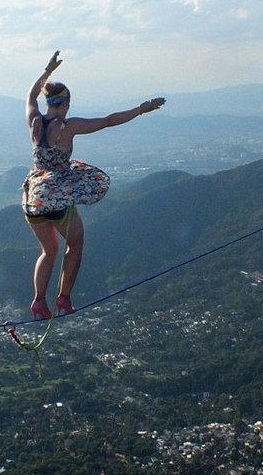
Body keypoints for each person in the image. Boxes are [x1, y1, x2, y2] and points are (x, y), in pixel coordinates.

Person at [23, 50, 166, 320]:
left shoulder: (33, 121)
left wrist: (46, 72)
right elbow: (108, 121)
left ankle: (38, 301)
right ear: (65, 104)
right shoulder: (69, 126)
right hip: (56, 196)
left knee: (48, 250)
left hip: (33, 196)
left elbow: (30, 96)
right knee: (75, 244)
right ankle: (63, 299)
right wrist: (140, 110)